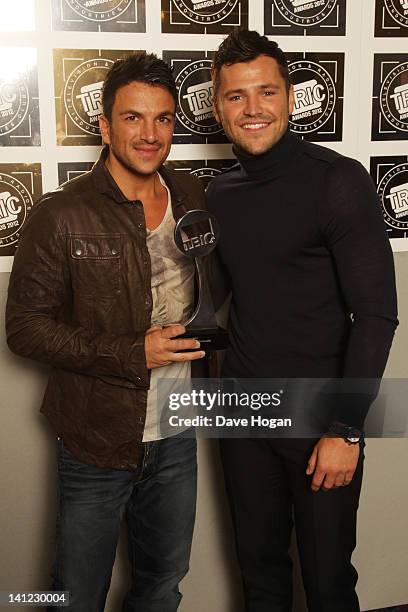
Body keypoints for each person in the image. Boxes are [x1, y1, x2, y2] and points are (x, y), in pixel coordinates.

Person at [5, 52, 208, 612]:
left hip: (176, 433)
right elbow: (23, 330)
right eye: (132, 117)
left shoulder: (194, 197)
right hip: (95, 435)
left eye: (163, 118)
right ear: (104, 124)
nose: (149, 134)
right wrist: (131, 351)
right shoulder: (61, 214)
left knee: (163, 584)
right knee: (75, 593)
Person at [207, 30, 398, 611]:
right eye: (236, 96)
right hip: (243, 415)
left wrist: (346, 429)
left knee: (328, 579)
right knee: (259, 575)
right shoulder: (220, 193)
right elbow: (213, 300)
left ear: (290, 98)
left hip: (321, 416)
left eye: (266, 92)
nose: (253, 108)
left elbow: (376, 316)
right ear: (217, 108)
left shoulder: (338, 181)